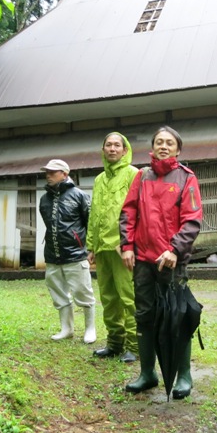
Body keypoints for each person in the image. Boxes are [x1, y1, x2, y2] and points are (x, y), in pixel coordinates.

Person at [120, 126, 203, 399]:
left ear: (178, 150)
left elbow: (192, 220)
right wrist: (127, 246)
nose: (164, 146)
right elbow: (128, 212)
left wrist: (175, 250)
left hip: (171, 262)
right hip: (143, 260)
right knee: (144, 316)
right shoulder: (142, 176)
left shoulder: (186, 178)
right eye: (159, 142)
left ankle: (184, 376)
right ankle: (147, 373)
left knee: (176, 317)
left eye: (169, 143)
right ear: (152, 148)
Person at [87, 133, 139, 363]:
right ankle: (114, 343)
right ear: (103, 149)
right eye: (108, 144)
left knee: (128, 296)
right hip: (102, 247)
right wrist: (91, 246)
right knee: (108, 297)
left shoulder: (133, 174)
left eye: (117, 145)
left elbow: (138, 211)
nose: (112, 149)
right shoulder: (99, 179)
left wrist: (131, 244)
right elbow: (94, 214)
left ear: (125, 150)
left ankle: (135, 346)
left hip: (122, 247)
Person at [39, 158, 96, 343]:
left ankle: (90, 328)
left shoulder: (79, 195)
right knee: (58, 292)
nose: (48, 175)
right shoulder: (44, 198)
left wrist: (90, 248)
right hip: (52, 254)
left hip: (76, 254)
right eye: (46, 172)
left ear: (64, 174)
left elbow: (90, 223)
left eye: (52, 172)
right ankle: (67, 328)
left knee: (83, 292)